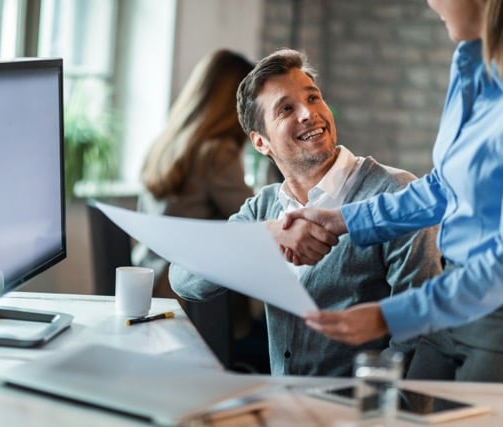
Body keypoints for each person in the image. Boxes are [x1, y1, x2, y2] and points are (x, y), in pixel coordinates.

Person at [286, 0, 503, 382]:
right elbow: (445, 187)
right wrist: (340, 220)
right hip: (450, 297)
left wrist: (388, 315)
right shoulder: (470, 61)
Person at [169, 49, 442, 377]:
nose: (308, 113)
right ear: (261, 142)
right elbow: (183, 279)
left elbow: (421, 332)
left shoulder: (394, 193)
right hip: (286, 406)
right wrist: (267, 235)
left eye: (313, 98)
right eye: (286, 108)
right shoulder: (265, 206)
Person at [133, 49, 255, 301]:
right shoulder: (216, 153)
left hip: (148, 278)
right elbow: (255, 219)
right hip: (187, 296)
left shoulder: (166, 143)